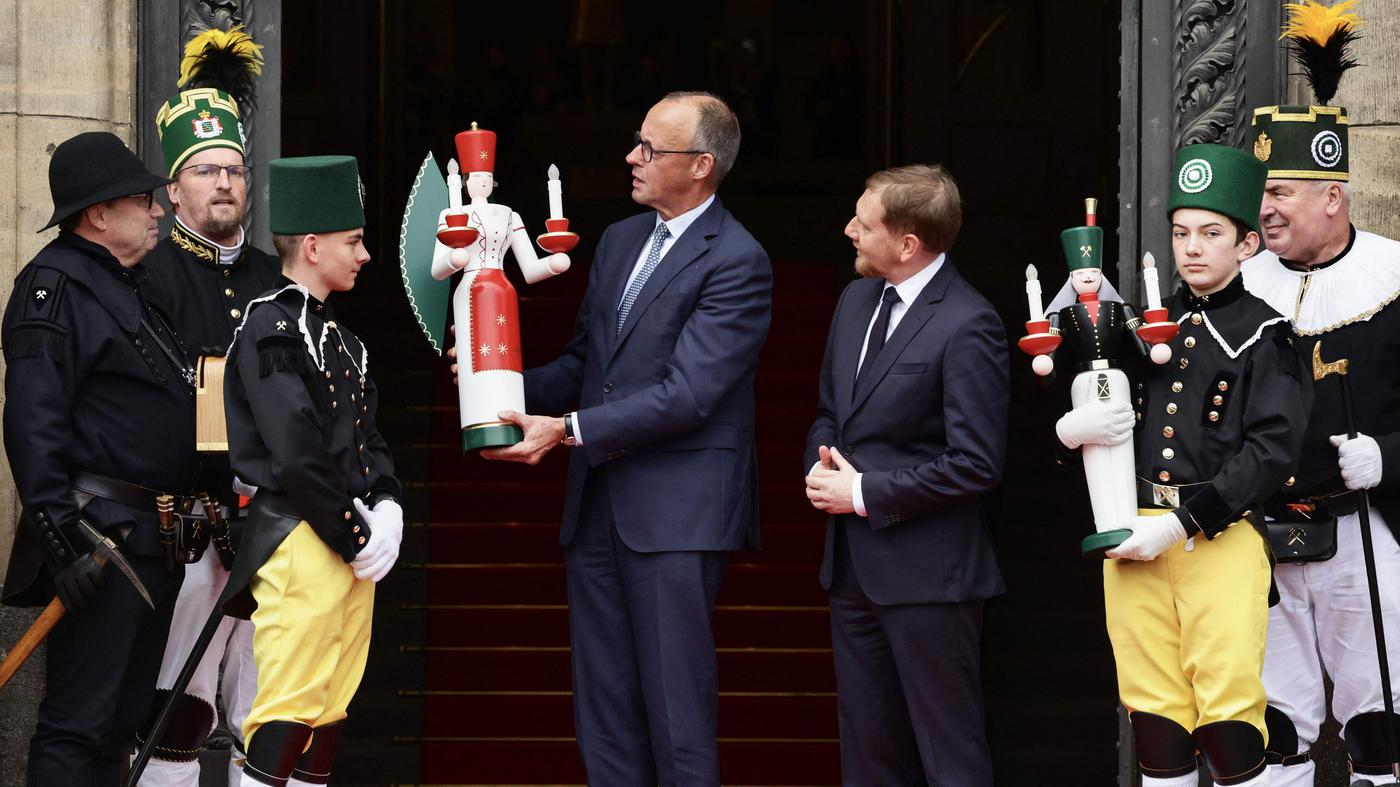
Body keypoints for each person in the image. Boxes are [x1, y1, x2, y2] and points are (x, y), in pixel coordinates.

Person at [483, 91, 772, 785]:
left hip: (678, 514)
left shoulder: (738, 259)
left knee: (677, 716)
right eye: (636, 140)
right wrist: (498, 384)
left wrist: (569, 430)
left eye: (650, 148)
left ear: (701, 166)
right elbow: (588, 364)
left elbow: (691, 394)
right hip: (598, 509)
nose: (630, 157)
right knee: (604, 713)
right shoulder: (618, 240)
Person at [1090, 143, 1310, 787]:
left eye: (1211, 233)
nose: (1192, 248)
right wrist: (1071, 425)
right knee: (1154, 718)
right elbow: (1106, 419)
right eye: (1182, 232)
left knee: (1228, 721)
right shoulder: (1144, 328)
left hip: (1218, 537)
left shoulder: (1269, 337)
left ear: (1247, 246)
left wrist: (1185, 520)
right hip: (1134, 538)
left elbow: (1270, 454)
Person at [802, 164, 1008, 784]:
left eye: (863, 225)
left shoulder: (969, 322)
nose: (849, 232)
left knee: (950, 755)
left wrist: (861, 491)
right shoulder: (855, 298)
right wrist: (823, 457)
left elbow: (976, 463)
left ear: (907, 243)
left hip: (932, 578)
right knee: (868, 755)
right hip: (853, 571)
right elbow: (830, 412)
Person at [1, 131, 196, 783]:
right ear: (98, 213)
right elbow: (34, 423)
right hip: (100, 542)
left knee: (118, 727)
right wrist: (62, 544)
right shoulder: (52, 288)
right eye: (145, 199)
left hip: (149, 539)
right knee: (75, 725)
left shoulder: (129, 285)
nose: (159, 211)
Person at [1241, 5, 1400, 780]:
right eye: (1262, 193)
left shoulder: (1394, 277)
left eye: (1284, 192)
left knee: (1379, 725)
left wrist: (1390, 456)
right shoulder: (1237, 283)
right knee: (1272, 728)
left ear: (1332, 198)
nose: (1265, 207)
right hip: (1259, 540)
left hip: (1365, 534)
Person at [220, 155, 402, 785]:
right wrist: (356, 534)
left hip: (346, 539)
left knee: (327, 716)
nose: (365, 255)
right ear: (315, 245)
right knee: (286, 715)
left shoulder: (344, 341)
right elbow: (296, 450)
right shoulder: (271, 326)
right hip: (302, 534)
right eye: (354, 242)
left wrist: (389, 506)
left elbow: (367, 440)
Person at [140, 27, 276, 784]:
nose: (224, 182)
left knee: (267, 705)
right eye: (205, 170)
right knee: (179, 712)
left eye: (233, 169)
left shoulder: (272, 277)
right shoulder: (147, 275)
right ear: (174, 190)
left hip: (271, 526)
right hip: (184, 529)